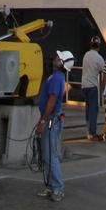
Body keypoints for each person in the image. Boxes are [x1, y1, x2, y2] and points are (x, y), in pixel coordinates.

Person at [36, 49, 73, 202]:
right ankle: (51, 186)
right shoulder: (55, 76)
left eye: (59, 57)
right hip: (51, 119)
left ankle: (58, 188)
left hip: (52, 120)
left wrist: (43, 120)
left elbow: (52, 100)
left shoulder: (57, 77)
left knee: (51, 154)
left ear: (62, 63)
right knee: (46, 154)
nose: (56, 58)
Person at [80, 35, 106, 141]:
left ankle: (88, 132)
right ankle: (92, 133)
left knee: (87, 109)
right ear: (99, 46)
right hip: (92, 86)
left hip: (84, 85)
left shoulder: (86, 55)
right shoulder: (99, 58)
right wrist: (103, 88)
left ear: (91, 45)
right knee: (93, 110)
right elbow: (105, 72)